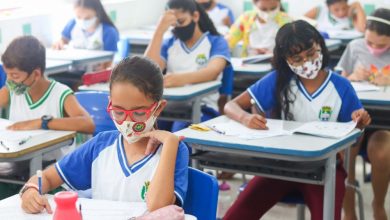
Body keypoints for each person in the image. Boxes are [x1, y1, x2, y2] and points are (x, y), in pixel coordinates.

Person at [223, 20, 371, 220]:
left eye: (310, 54)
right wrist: (246, 117)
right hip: (280, 166)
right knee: (236, 215)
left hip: (325, 170)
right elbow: (230, 106)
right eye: (297, 59)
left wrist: (359, 126)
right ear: (286, 60)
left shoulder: (341, 86)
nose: (307, 63)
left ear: (320, 45)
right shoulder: (279, 80)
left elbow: (355, 141)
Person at [20, 56, 189, 214]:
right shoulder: (101, 145)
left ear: (158, 108)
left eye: (138, 113)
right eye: (118, 111)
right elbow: (48, 177)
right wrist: (31, 189)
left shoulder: (173, 150)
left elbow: (158, 207)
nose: (127, 121)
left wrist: (169, 142)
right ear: (110, 103)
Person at [0, 36, 94, 170]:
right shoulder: (12, 90)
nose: (9, 80)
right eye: (7, 74)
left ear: (36, 74)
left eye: (14, 76)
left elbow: (88, 124)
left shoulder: (60, 93)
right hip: (20, 165)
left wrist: (42, 123)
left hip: (54, 171)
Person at [145, 0, 230, 132]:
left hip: (203, 107)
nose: (177, 27)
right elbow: (146, 70)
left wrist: (177, 79)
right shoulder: (170, 43)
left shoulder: (216, 42)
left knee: (178, 134)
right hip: (169, 107)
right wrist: (159, 30)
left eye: (181, 21)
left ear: (195, 16)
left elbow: (212, 72)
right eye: (173, 25)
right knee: (146, 130)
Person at [337, 8, 390, 220]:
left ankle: (378, 204)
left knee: (382, 150)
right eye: (371, 43)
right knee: (347, 149)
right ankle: (349, 210)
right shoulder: (354, 46)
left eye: (382, 45)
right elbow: (339, 82)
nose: (375, 48)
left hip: (385, 123)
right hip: (355, 117)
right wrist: (351, 76)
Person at [226, 0, 291, 57]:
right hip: (249, 64)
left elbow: (294, 47)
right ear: (254, 4)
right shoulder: (245, 18)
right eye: (263, 9)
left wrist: (277, 53)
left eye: (273, 8)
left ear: (279, 3)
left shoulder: (287, 20)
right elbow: (228, 41)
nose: (268, 13)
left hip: (277, 65)